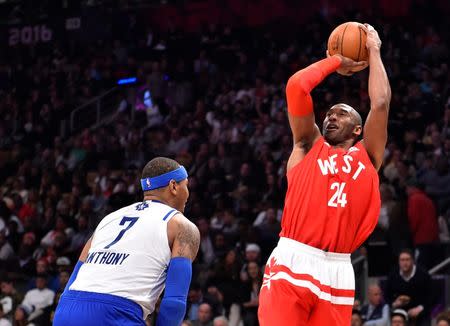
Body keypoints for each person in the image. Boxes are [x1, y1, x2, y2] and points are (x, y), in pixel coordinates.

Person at [258, 23, 391, 326]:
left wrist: (373, 50)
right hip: (293, 258)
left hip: (338, 269)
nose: (331, 116)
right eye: (328, 113)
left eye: (341, 113)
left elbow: (381, 103)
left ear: (358, 129)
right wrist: (336, 62)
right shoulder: (308, 144)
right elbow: (296, 87)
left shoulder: (367, 156)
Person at [53, 157, 200, 326]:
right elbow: (174, 302)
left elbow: (76, 274)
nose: (188, 194)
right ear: (174, 186)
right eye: (186, 185)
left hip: (67, 309)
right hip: (115, 313)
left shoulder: (109, 219)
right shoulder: (181, 225)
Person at [385, 249, 432, 326]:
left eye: (407, 259)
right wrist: (394, 303)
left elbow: (431, 296)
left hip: (421, 312)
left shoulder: (423, 274)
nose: (405, 263)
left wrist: (419, 308)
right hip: (400, 312)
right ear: (399, 262)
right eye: (402, 260)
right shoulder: (393, 275)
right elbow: (387, 295)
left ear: (413, 261)